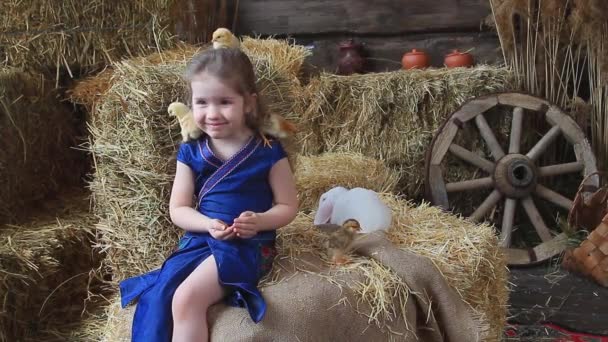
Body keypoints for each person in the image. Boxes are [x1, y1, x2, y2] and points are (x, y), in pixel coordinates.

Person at [119, 48, 299, 342]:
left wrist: (261, 220)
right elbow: (178, 209)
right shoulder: (191, 151)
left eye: (225, 102)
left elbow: (288, 206)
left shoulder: (267, 151)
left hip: (248, 245)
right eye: (201, 102)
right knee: (161, 293)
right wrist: (207, 224)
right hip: (202, 240)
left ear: (249, 103)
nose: (212, 113)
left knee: (186, 298)